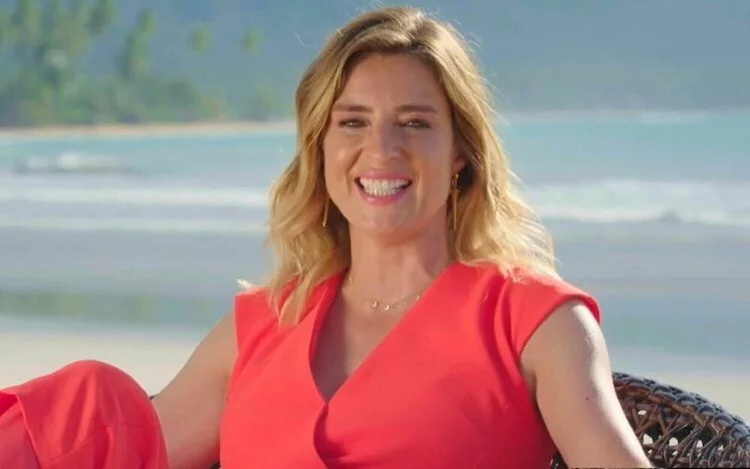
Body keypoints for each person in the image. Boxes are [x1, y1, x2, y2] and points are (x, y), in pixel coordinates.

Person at [0, 6, 654, 469]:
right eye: (353, 122)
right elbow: (125, 449)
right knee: (90, 396)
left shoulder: (534, 320)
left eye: (415, 123)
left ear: (461, 153)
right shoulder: (262, 324)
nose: (382, 149)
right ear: (320, 148)